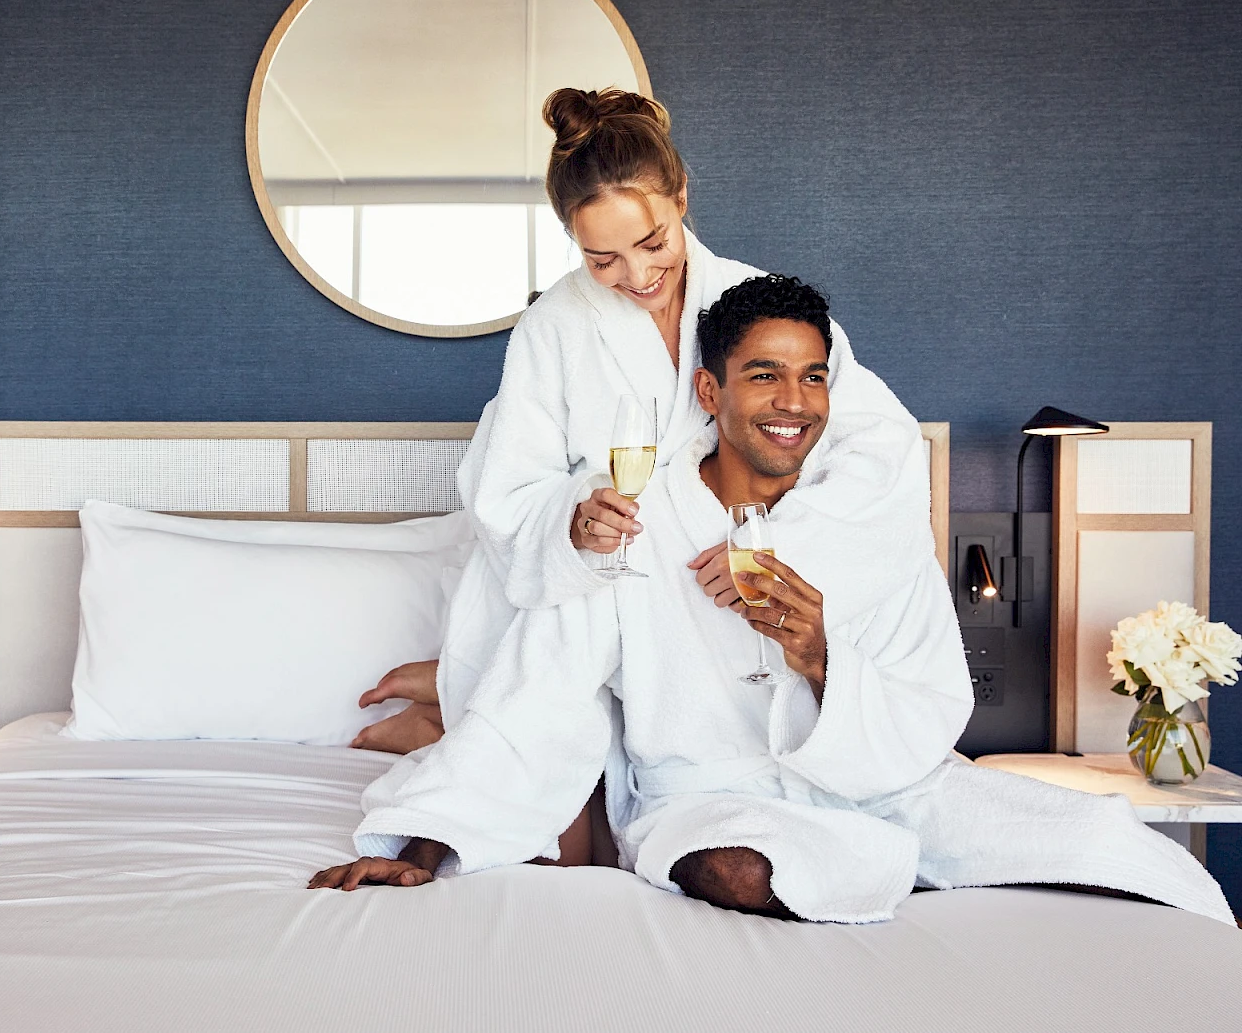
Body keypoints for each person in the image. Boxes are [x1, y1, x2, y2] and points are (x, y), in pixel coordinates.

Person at [312, 276, 1233, 926]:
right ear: (709, 390)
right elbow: (539, 693)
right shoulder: (637, 523)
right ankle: (889, 877)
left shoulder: (866, 524)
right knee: (744, 871)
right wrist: (426, 845)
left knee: (1123, 858)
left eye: (814, 375)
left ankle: (910, 864)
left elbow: (934, 699)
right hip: (710, 802)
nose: (794, 403)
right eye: (764, 375)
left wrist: (821, 653)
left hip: (887, 789)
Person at [343, 87, 928, 868]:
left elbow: (879, 446)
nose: (636, 273)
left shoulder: (753, 305)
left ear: (681, 198)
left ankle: (448, 700)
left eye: (653, 241)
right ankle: (455, 723)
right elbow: (507, 490)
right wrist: (575, 522)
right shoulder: (555, 326)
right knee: (563, 817)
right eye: (601, 257)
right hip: (607, 577)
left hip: (718, 581)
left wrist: (778, 542)